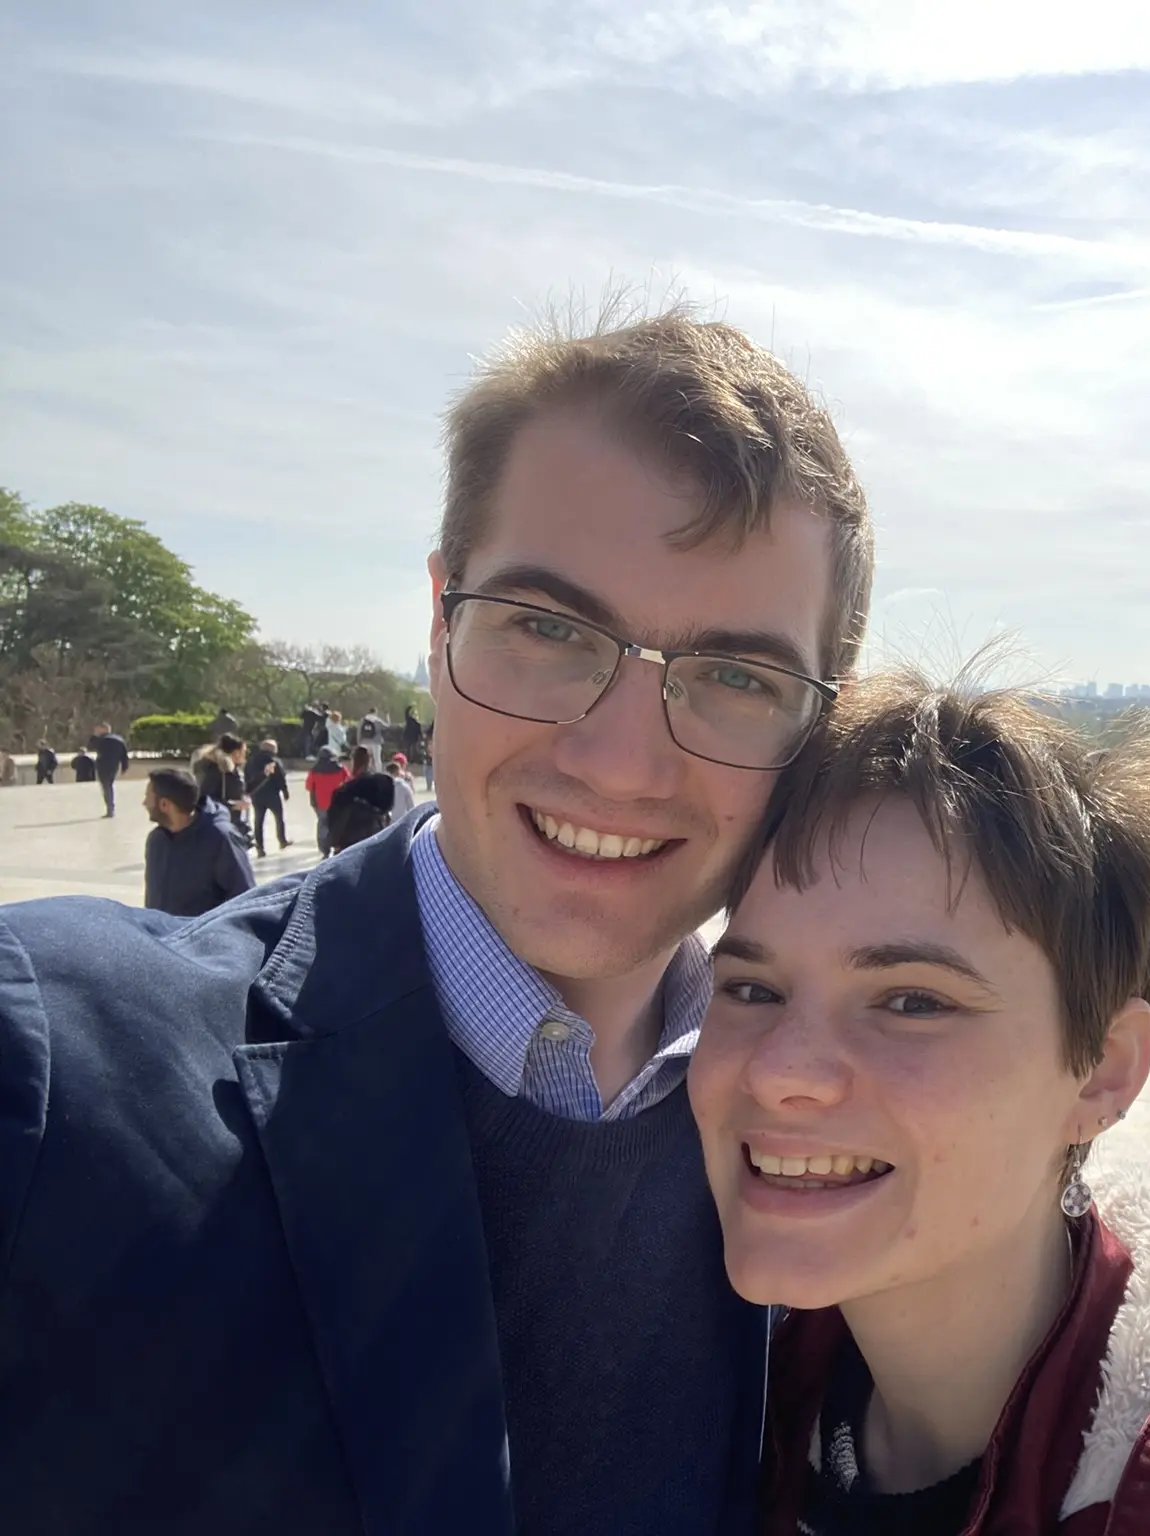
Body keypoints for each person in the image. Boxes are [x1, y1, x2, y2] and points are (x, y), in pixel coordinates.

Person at [0, 302, 874, 1532]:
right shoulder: (55, 1076)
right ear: (438, 617)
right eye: (548, 629)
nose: (621, 765)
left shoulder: (820, 1155)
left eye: (736, 677)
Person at [690, 672, 1150, 1536]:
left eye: (914, 1001)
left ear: (1104, 1071)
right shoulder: (736, 1383)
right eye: (750, 987)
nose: (782, 1072)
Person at [141, 767, 257, 918]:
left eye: (148, 797)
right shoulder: (156, 840)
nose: (144, 803)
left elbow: (246, 898)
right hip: (161, 937)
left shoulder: (221, 838)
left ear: (164, 804)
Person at [303, 744, 351, 857]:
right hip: (338, 803)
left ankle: (324, 849)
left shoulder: (314, 771)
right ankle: (337, 847)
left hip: (321, 803)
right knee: (337, 825)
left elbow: (309, 787)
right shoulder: (341, 769)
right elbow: (349, 782)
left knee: (322, 825)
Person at [246, 737, 292, 855]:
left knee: (258, 821)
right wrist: (285, 791)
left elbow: (246, 776)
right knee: (279, 818)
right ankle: (282, 840)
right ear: (273, 749)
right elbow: (280, 777)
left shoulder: (251, 760)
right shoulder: (274, 760)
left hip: (256, 794)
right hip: (272, 794)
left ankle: (260, 848)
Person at [87, 721, 127, 817]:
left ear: (103, 729)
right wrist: (124, 767)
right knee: (109, 785)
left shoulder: (101, 739)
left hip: (103, 765)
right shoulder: (119, 739)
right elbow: (124, 755)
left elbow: (89, 747)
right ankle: (110, 807)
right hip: (114, 766)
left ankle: (110, 809)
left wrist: (94, 736)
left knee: (106, 786)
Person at [389, 751, 420, 818]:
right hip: (403, 816)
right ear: (404, 764)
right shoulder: (407, 777)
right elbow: (411, 794)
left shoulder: (387, 779)